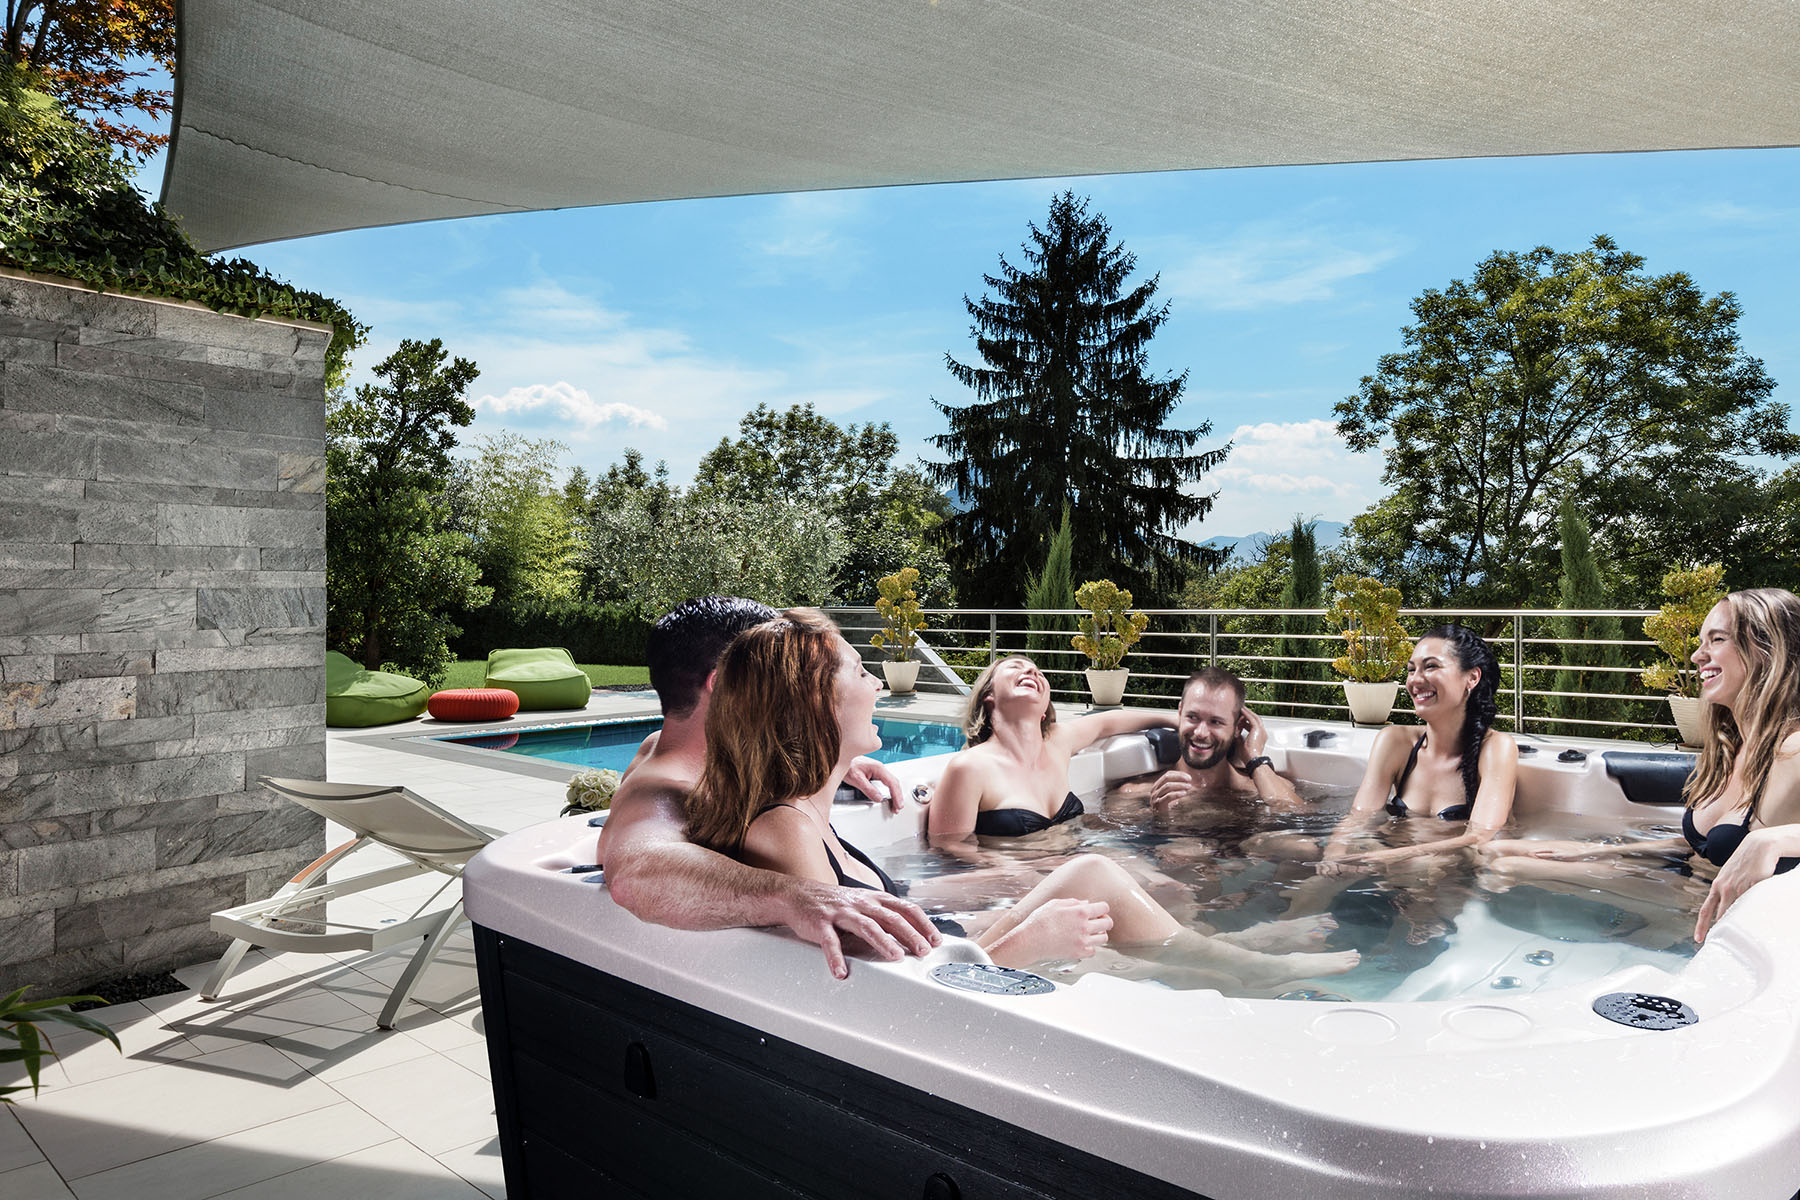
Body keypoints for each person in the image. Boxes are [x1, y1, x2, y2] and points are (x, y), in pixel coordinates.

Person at [684, 612, 1360, 987]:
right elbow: (867, 998)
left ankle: (1242, 961)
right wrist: (1024, 940)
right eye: (861, 671)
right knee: (1103, 907)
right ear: (815, 702)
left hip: (954, 939)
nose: (880, 684)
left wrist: (844, 773)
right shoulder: (787, 832)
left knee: (1102, 884)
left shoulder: (806, 816)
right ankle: (1253, 968)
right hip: (959, 963)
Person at [597, 596, 939, 979]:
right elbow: (636, 874)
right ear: (725, 681)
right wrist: (792, 895)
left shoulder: (666, 748)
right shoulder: (665, 789)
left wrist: (831, 757)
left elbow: (751, 752)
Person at [1482, 588, 1800, 942]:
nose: (1697, 655)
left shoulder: (1793, 748)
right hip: (1684, 885)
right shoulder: (1733, 746)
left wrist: (1774, 840)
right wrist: (1599, 852)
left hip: (1713, 921)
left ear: (1769, 650)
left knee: (1507, 867)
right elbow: (1700, 847)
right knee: (1497, 851)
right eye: (1700, 641)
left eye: (1718, 639)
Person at [1311, 625, 1518, 875]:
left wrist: (1393, 857)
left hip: (1448, 873)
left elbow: (1481, 836)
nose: (1415, 680)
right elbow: (1359, 817)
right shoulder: (1395, 741)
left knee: (1420, 868)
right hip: (1388, 862)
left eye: (1430, 666)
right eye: (1411, 670)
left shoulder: (1496, 748)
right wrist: (1334, 853)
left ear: (1472, 678)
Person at [925, 656, 1175, 841]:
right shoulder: (969, 767)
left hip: (1071, 864)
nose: (1031, 671)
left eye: (1038, 672)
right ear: (988, 695)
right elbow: (950, 852)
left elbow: (1106, 723)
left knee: (1173, 883)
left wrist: (1177, 722)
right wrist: (1030, 866)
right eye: (1015, 667)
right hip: (1013, 883)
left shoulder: (1056, 742)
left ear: (1045, 710)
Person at [1136, 667, 1302, 812]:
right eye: (1192, 717)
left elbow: (1295, 820)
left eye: (1215, 722)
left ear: (1238, 727)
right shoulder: (1139, 793)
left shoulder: (1266, 788)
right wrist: (1159, 818)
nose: (1201, 732)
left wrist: (1254, 758)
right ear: (1180, 712)